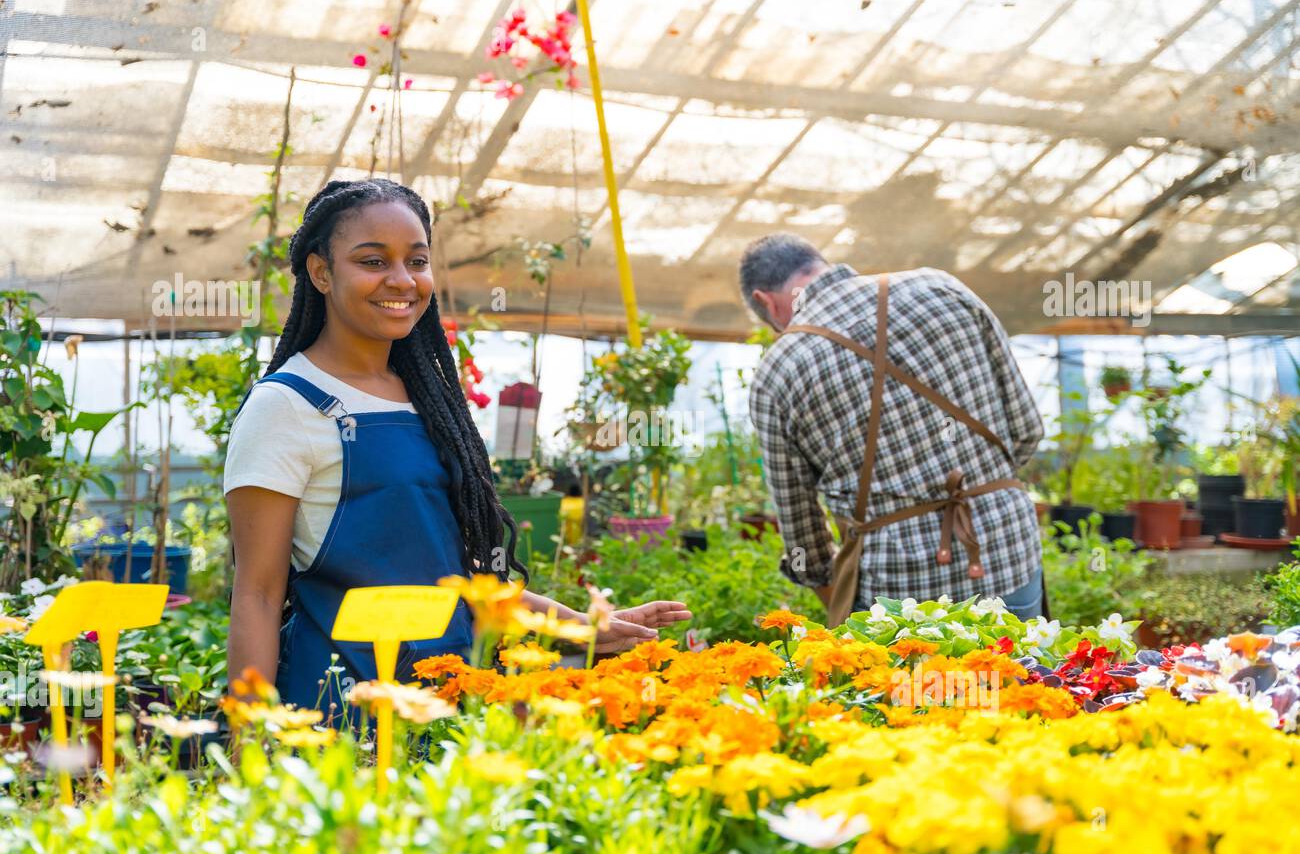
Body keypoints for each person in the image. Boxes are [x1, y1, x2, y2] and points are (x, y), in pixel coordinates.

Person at [225, 178, 689, 720]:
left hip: (452, 700)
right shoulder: (286, 405)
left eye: (416, 261)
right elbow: (256, 593)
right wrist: (251, 738)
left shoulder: (429, 401)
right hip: (339, 712)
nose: (402, 280)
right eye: (373, 261)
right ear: (321, 272)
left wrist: (581, 627)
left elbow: (456, 580)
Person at [741, 233, 1045, 625]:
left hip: (899, 595)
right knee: (1023, 682)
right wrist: (979, 487)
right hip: (1006, 554)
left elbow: (803, 535)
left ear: (765, 301)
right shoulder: (941, 286)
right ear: (817, 263)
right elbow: (1025, 430)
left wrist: (822, 578)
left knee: (920, 690)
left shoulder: (777, 370)